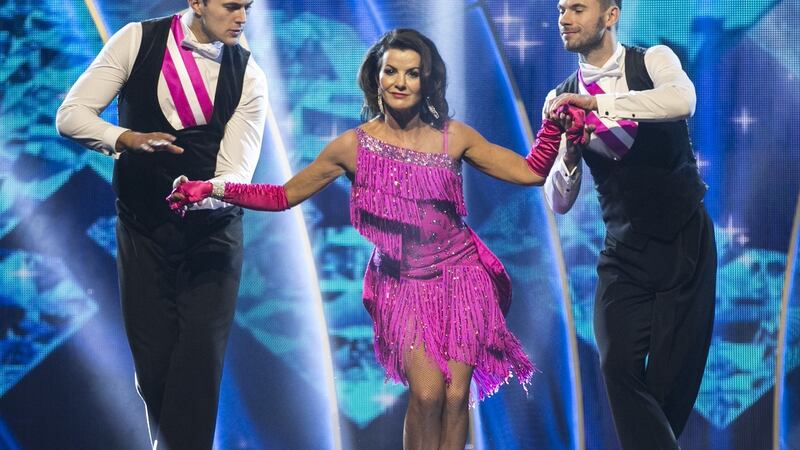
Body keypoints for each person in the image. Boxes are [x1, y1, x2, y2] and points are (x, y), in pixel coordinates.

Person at [168, 28, 583, 450]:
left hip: (462, 277)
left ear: (428, 81)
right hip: (402, 284)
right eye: (391, 71)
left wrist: (555, 127)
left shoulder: (454, 136)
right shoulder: (351, 147)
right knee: (427, 394)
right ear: (376, 77)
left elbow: (531, 172)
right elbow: (282, 196)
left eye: (413, 73)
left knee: (456, 396)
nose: (401, 82)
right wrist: (214, 189)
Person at [55, 1, 267, 449]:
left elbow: (237, 173)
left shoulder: (248, 74)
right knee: (153, 367)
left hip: (213, 236)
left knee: (199, 362)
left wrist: (205, 192)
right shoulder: (137, 40)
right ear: (197, 2)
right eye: (231, 6)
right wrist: (125, 139)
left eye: (248, 7)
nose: (242, 17)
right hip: (142, 230)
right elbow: (71, 115)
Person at [543, 1, 717, 449]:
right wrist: (569, 156)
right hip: (624, 250)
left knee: (669, 383)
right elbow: (558, 201)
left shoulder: (653, 59)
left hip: (685, 240)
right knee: (615, 364)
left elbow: (684, 100)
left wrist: (598, 103)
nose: (564, 17)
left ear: (611, 15)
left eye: (578, 8)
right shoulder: (559, 97)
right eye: (561, 8)